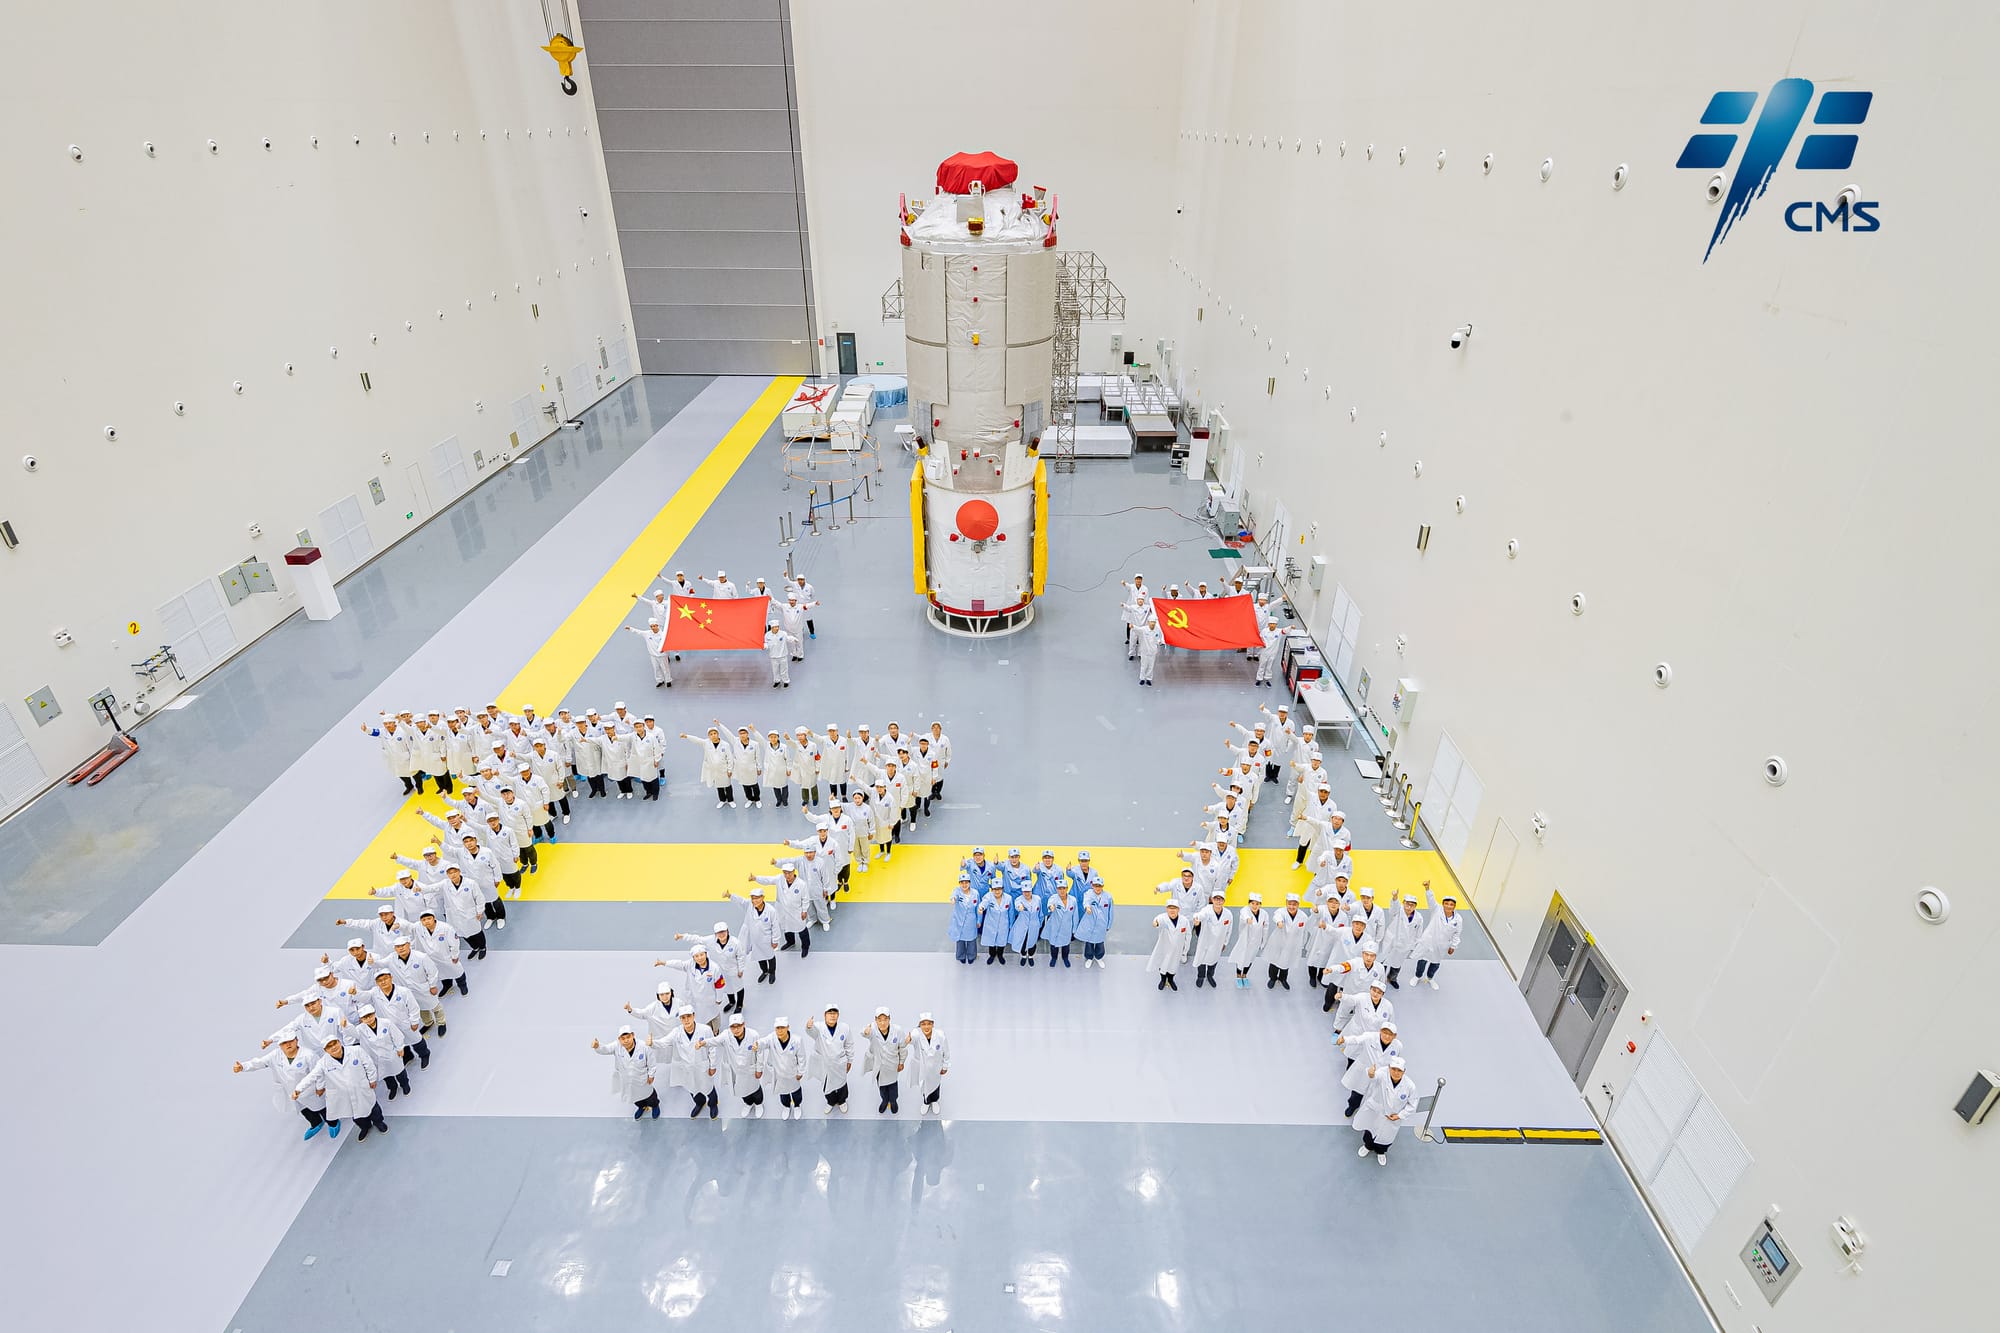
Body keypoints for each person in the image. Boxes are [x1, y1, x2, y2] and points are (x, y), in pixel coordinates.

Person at [233, 1028, 330, 1140]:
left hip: (311, 1091)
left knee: (321, 1107)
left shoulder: (308, 1055)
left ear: (296, 1040)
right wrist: (243, 1067)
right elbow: (259, 1063)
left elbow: (319, 1072)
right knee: (303, 1109)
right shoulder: (275, 1055)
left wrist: (320, 1087)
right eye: (284, 1043)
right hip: (291, 1091)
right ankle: (316, 1122)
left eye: (290, 1041)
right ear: (280, 1045)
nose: (288, 1044)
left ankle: (332, 1122)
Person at [294, 1033, 387, 1141]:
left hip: (362, 1089)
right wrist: (299, 1089)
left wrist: (372, 1079)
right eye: (329, 1046)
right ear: (325, 1050)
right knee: (356, 1114)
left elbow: (369, 1065)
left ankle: (379, 1122)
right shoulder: (323, 1063)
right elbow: (312, 1076)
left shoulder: (355, 1051)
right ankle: (365, 1127)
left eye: (335, 1043)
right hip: (345, 1095)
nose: (333, 1047)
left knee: (372, 1108)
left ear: (339, 1042)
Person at [1355, 1056, 1417, 1164]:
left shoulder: (1409, 1086)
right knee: (1370, 1131)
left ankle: (1381, 1152)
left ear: (1404, 1071)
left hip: (1393, 1118)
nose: (1396, 1072)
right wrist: (1370, 1073)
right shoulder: (1383, 1074)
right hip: (1377, 1112)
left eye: (1399, 1070)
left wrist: (1399, 1116)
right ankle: (1367, 1146)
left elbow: (1413, 1105)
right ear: (1389, 1067)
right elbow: (1374, 1076)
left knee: (1386, 1137)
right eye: (1393, 1069)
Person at [665, 1005, 720, 1120]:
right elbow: (664, 1042)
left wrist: (713, 1066)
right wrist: (652, 1044)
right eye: (683, 1018)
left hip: (703, 1066)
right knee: (692, 1087)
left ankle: (713, 1104)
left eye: (689, 1016)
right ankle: (700, 1103)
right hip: (688, 1068)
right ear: (680, 1019)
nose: (686, 1020)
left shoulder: (705, 1030)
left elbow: (712, 1048)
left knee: (708, 1087)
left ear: (694, 1016)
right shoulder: (677, 1032)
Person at [1342, 1021, 1403, 1118]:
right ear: (1380, 1032)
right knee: (1357, 1092)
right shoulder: (1370, 1037)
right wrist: (1344, 1039)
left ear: (1395, 1036)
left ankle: (1366, 1114)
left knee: (1374, 1097)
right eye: (1384, 1033)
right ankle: (1352, 1106)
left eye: (1390, 1034)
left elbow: (1395, 1063)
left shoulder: (1397, 1046)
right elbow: (1357, 1039)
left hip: (1380, 1076)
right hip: (1365, 1072)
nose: (1387, 1036)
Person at [725, 884, 785, 984]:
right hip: (754, 938)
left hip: (766, 939)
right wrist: (730, 895)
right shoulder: (749, 905)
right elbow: (741, 901)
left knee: (770, 956)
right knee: (759, 956)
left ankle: (772, 972)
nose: (755, 901)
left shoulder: (770, 911)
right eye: (753, 898)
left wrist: (775, 940)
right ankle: (764, 971)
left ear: (763, 898)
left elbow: (775, 926)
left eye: (757, 898)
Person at [809, 1006, 855, 1115]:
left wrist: (850, 1060)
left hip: (840, 1063)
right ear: (824, 1015)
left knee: (842, 1084)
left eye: (835, 1013)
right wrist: (809, 1027)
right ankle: (830, 1102)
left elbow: (849, 1045)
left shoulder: (845, 1028)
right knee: (827, 1085)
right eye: (829, 1013)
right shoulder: (818, 1027)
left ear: (838, 1015)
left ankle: (842, 1101)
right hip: (824, 1064)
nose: (832, 1015)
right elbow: (811, 1032)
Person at [1411, 887, 1460, 988]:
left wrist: (1453, 946)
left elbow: (1457, 933)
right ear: (1443, 904)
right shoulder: (1436, 910)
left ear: (1454, 906)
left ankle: (1430, 978)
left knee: (1436, 963)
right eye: (1446, 903)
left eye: (1451, 904)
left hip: (1442, 945)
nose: (1448, 906)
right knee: (1422, 960)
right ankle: (1417, 976)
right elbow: (1431, 900)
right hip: (1429, 942)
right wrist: (1427, 889)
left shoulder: (1458, 919)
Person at [717, 1015, 765, 1117]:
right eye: (733, 1027)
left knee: (755, 1088)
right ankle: (748, 1104)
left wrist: (759, 1069)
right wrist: (703, 1043)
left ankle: (759, 1104)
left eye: (738, 1026)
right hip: (737, 1070)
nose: (736, 1029)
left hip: (751, 1068)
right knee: (741, 1089)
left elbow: (760, 1053)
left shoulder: (753, 1035)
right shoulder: (726, 1035)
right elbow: (714, 1041)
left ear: (744, 1024)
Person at [1262, 892, 1312, 990]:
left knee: (1287, 962)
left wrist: (1302, 944)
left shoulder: (1303, 916)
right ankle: (1272, 978)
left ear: (1298, 905)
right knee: (1274, 962)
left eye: (1294, 904)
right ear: (1286, 903)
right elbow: (1276, 916)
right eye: (1289, 904)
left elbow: (1305, 932)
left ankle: (1283, 979)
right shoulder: (1281, 912)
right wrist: (1279, 922)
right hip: (1278, 942)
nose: (1291, 906)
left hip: (1293, 944)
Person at [762, 1017, 809, 1119]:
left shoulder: (797, 1040)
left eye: (782, 1028)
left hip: (792, 1072)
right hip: (779, 1073)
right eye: (778, 1028)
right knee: (783, 1091)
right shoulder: (771, 1038)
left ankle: (797, 1105)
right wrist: (757, 1044)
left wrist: (800, 1072)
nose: (780, 1030)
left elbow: (802, 1057)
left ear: (788, 1027)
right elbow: (763, 1042)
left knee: (795, 1091)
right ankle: (786, 1106)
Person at [905, 1013, 949, 1115]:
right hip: (923, 1068)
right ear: (920, 1025)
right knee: (924, 1085)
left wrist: (945, 1065)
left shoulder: (940, 1035)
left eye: (929, 1024)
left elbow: (946, 1052)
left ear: (933, 1024)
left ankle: (935, 1101)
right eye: (923, 1024)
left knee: (936, 1085)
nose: (926, 1027)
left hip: (936, 1068)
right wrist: (909, 1039)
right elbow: (912, 1037)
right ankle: (926, 1102)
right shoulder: (917, 1034)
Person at [683, 725, 737, 808]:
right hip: (713, 770)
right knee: (719, 786)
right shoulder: (706, 743)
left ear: (718, 734)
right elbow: (697, 740)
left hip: (724, 770)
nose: (713, 735)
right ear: (709, 736)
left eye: (715, 733)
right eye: (711, 734)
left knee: (727, 785)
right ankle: (722, 800)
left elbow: (730, 758)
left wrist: (730, 770)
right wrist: (687, 736)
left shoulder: (725, 745)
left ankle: (730, 800)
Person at [865, 1007, 906, 1114]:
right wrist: (866, 1031)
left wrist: (901, 1062)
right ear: (875, 1020)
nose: (883, 1022)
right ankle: (884, 1101)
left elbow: (902, 1048)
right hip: (879, 1067)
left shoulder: (898, 1030)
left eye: (885, 1019)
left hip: (892, 1066)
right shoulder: (872, 1030)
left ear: (889, 1019)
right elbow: (864, 1033)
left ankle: (893, 1101)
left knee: (892, 1087)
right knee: (882, 1087)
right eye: (880, 1019)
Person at [1380, 893, 1425, 989]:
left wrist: (1414, 946)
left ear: (1415, 906)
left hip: (1405, 945)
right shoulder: (1398, 911)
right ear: (1403, 903)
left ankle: (1392, 979)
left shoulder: (1419, 918)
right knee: (1383, 961)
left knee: (1397, 963)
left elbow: (1418, 933)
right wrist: (1395, 898)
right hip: (1391, 942)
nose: (1408, 907)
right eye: (1407, 904)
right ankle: (1379, 979)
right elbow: (1393, 908)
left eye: (1412, 905)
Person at [1189, 890, 1233, 988]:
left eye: (1220, 899)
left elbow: (1229, 930)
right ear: (1212, 900)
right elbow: (1199, 915)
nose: (1218, 901)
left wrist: (1225, 943)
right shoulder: (1206, 910)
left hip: (1218, 943)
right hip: (1205, 941)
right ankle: (1200, 977)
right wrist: (1196, 919)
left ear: (1224, 901)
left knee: (1213, 961)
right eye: (1216, 899)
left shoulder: (1228, 914)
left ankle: (1210, 976)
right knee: (1201, 960)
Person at [1073, 859, 1112, 968]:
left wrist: (1108, 924)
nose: (1097, 888)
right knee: (1089, 942)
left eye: (1099, 886)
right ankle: (1089, 957)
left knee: (1100, 942)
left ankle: (1099, 957)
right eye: (1095, 886)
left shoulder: (1108, 896)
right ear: (1092, 886)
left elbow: (1110, 912)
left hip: (1101, 924)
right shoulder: (1089, 893)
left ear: (1102, 886)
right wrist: (1087, 907)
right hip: (1090, 922)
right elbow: (1086, 901)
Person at [1228, 892, 1270, 988]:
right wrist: (1247, 919)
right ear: (1249, 903)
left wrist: (1263, 942)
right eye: (1252, 903)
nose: (1255, 906)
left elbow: (1266, 928)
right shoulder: (1245, 910)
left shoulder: (1264, 914)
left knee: (1250, 959)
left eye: (1257, 904)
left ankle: (1244, 975)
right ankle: (1238, 976)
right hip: (1244, 940)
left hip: (1256, 941)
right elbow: (1244, 916)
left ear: (1260, 904)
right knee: (1241, 958)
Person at [1148, 900, 1191, 991]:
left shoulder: (1184, 920)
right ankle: (1163, 980)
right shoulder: (1163, 918)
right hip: (1165, 949)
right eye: (1170, 908)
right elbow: (1157, 921)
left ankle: (1171, 980)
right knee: (1163, 966)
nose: (1172, 910)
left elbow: (1188, 935)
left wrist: (1185, 949)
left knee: (1173, 966)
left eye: (1174, 908)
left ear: (1178, 909)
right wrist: (1156, 923)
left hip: (1177, 950)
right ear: (1166, 909)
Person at [1042, 877, 1077, 968]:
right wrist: (1051, 907)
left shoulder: (1073, 900)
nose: (1062, 891)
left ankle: (1065, 958)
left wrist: (1074, 929)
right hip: (1055, 927)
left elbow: (1075, 915)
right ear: (1057, 889)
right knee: (1054, 944)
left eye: (1063, 888)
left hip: (1067, 927)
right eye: (1059, 888)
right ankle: (1054, 958)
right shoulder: (1053, 898)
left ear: (1067, 888)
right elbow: (1050, 904)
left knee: (1066, 945)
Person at [977, 874, 1012, 964]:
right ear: (992, 889)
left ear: (1002, 889)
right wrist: (981, 908)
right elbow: (983, 903)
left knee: (1001, 942)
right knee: (991, 942)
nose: (997, 891)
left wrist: (1011, 925)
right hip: (991, 924)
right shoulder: (988, 896)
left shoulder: (1008, 898)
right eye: (995, 889)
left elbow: (1011, 912)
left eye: (999, 889)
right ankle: (992, 955)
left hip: (1003, 925)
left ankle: (1000, 955)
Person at [628, 618, 673, 688]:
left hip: (662, 655)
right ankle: (660, 680)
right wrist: (630, 628)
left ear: (657, 625)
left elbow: (668, 643)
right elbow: (638, 632)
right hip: (653, 656)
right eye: (652, 626)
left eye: (654, 626)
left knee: (665, 668)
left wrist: (664, 649)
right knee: (656, 668)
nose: (653, 628)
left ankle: (668, 680)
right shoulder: (647, 634)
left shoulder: (663, 634)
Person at [1007, 879, 1043, 966]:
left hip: (1034, 925)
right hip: (1022, 925)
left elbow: (1040, 913)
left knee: (1032, 941)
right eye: (1024, 891)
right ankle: (1023, 955)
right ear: (1022, 891)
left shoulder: (1037, 899)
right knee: (1023, 940)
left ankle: (1030, 956)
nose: (1026, 893)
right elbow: (1017, 905)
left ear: (1031, 891)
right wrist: (1020, 907)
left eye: (1028, 891)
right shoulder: (1019, 899)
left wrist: (1039, 924)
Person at [948, 872, 981, 964]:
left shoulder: (975, 893)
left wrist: (979, 920)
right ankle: (961, 955)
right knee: (960, 940)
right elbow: (954, 896)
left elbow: (978, 908)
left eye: (966, 882)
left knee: (971, 940)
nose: (964, 885)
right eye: (962, 882)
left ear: (969, 883)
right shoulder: (957, 891)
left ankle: (971, 956)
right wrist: (953, 899)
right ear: (959, 883)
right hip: (959, 920)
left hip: (971, 921)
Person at [765, 621, 796, 688]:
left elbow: (788, 638)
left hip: (783, 656)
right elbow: (766, 644)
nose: (777, 628)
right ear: (771, 628)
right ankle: (777, 681)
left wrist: (793, 639)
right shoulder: (767, 635)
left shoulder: (783, 633)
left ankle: (786, 681)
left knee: (784, 670)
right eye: (775, 627)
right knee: (775, 670)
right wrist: (764, 646)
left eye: (777, 627)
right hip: (773, 656)